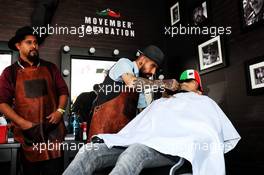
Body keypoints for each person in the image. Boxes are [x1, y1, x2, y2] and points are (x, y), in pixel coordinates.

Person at [63, 69, 241, 175]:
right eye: (183, 80)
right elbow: (141, 127)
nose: (185, 83)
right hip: (141, 141)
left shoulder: (204, 102)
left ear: (200, 90)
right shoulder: (162, 102)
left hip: (171, 149)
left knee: (135, 152)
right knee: (89, 150)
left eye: (191, 82)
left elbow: (211, 133)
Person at [0, 26, 69, 175]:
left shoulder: (51, 68)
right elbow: (2, 103)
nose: (34, 46)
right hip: (28, 137)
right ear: (18, 46)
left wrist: (60, 111)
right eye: (29, 42)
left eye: (36, 42)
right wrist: (23, 124)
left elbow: (63, 92)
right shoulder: (9, 73)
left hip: (53, 134)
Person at [88, 45, 179, 140]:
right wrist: (163, 83)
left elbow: (142, 112)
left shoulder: (142, 84)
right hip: (101, 132)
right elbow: (132, 82)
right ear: (142, 59)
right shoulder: (124, 63)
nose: (153, 72)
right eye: (153, 66)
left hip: (120, 136)